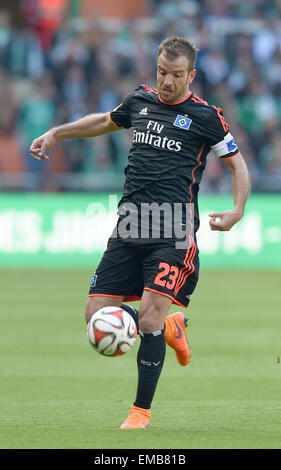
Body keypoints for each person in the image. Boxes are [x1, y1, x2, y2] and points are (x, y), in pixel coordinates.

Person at [30, 36, 250, 429]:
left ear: (191, 76)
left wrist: (237, 209)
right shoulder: (140, 100)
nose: (167, 81)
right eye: (162, 72)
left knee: (146, 318)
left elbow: (237, 165)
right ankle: (170, 324)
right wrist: (56, 133)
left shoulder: (206, 117)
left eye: (176, 75)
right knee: (94, 315)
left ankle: (140, 413)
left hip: (173, 230)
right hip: (129, 225)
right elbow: (103, 120)